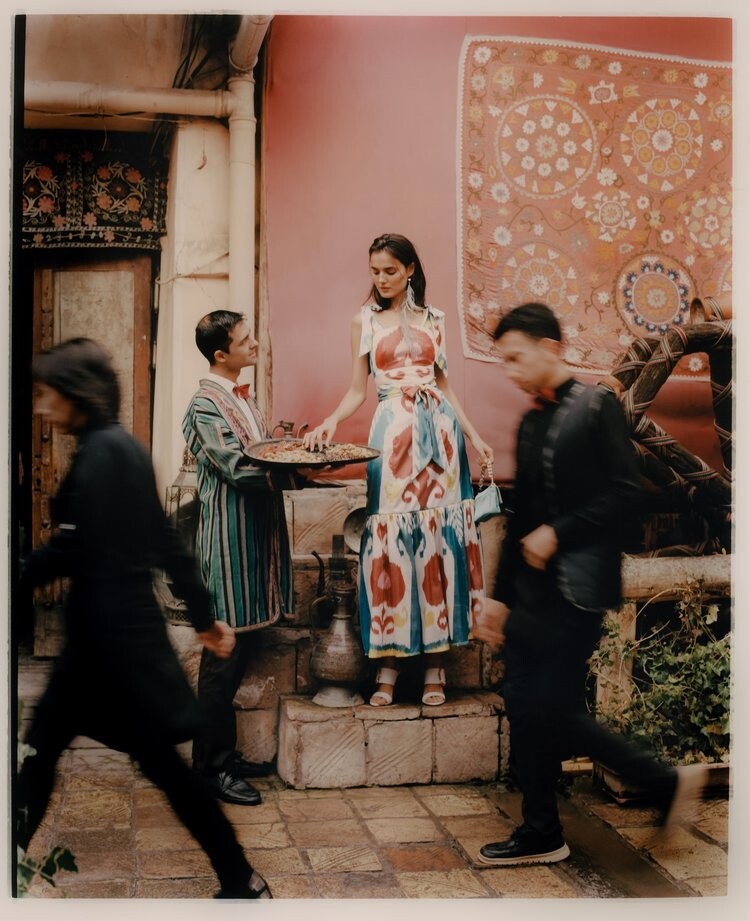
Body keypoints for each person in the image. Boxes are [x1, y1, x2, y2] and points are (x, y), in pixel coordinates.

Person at [16, 337, 270, 899]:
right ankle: (240, 878)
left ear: (74, 393)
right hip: (117, 644)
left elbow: (73, 550)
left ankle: (240, 877)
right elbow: (165, 543)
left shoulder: (102, 455)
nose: (41, 406)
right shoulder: (121, 449)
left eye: (46, 393)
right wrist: (203, 618)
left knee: (52, 758)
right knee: (71, 760)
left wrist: (23, 571)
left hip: (106, 648)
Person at [473, 302, 709, 867]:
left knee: (549, 706)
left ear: (550, 348)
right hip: (532, 592)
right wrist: (498, 598)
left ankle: (662, 781)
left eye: (516, 357)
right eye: (504, 361)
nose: (510, 371)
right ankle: (541, 830)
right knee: (523, 702)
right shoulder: (532, 422)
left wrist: (561, 532)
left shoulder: (597, 406)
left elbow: (627, 496)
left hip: (578, 586)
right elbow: (522, 518)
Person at [304, 233, 493, 706]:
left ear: (410, 269)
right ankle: (388, 665)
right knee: (391, 543)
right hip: (391, 437)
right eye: (374, 271)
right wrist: (330, 420)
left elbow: (444, 386)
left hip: (442, 440)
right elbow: (357, 390)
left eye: (390, 270)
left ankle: (435, 668)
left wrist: (474, 436)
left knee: (439, 545)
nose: (381, 279)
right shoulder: (364, 321)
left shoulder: (435, 320)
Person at [183, 309, 304, 805]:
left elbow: (261, 450)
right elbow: (237, 466)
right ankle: (209, 769)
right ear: (221, 354)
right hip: (228, 545)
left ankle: (223, 756)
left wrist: (294, 448)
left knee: (240, 655)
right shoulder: (204, 405)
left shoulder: (242, 397)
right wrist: (298, 471)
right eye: (245, 339)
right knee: (222, 663)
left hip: (255, 541)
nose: (254, 343)